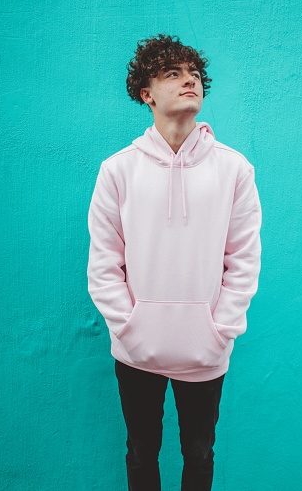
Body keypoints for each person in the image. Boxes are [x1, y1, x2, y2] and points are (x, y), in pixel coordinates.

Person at [87, 34, 262, 491]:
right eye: (172, 74)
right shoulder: (118, 170)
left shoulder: (234, 169)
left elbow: (243, 257)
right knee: (141, 451)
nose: (190, 81)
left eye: (195, 74)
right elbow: (104, 261)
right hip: (136, 348)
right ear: (146, 93)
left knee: (200, 454)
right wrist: (128, 325)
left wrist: (220, 328)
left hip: (206, 348)